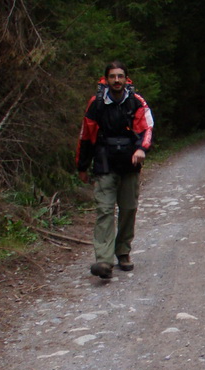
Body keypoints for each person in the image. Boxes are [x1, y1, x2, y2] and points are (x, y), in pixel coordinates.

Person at [76, 61, 154, 279]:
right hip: (104, 162)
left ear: (126, 79)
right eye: (112, 76)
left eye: (120, 76)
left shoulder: (136, 102)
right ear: (106, 79)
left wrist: (141, 149)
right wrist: (82, 166)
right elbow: (86, 136)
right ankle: (104, 260)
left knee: (128, 209)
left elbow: (147, 129)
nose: (117, 80)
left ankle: (123, 252)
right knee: (104, 210)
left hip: (130, 163)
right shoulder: (97, 103)